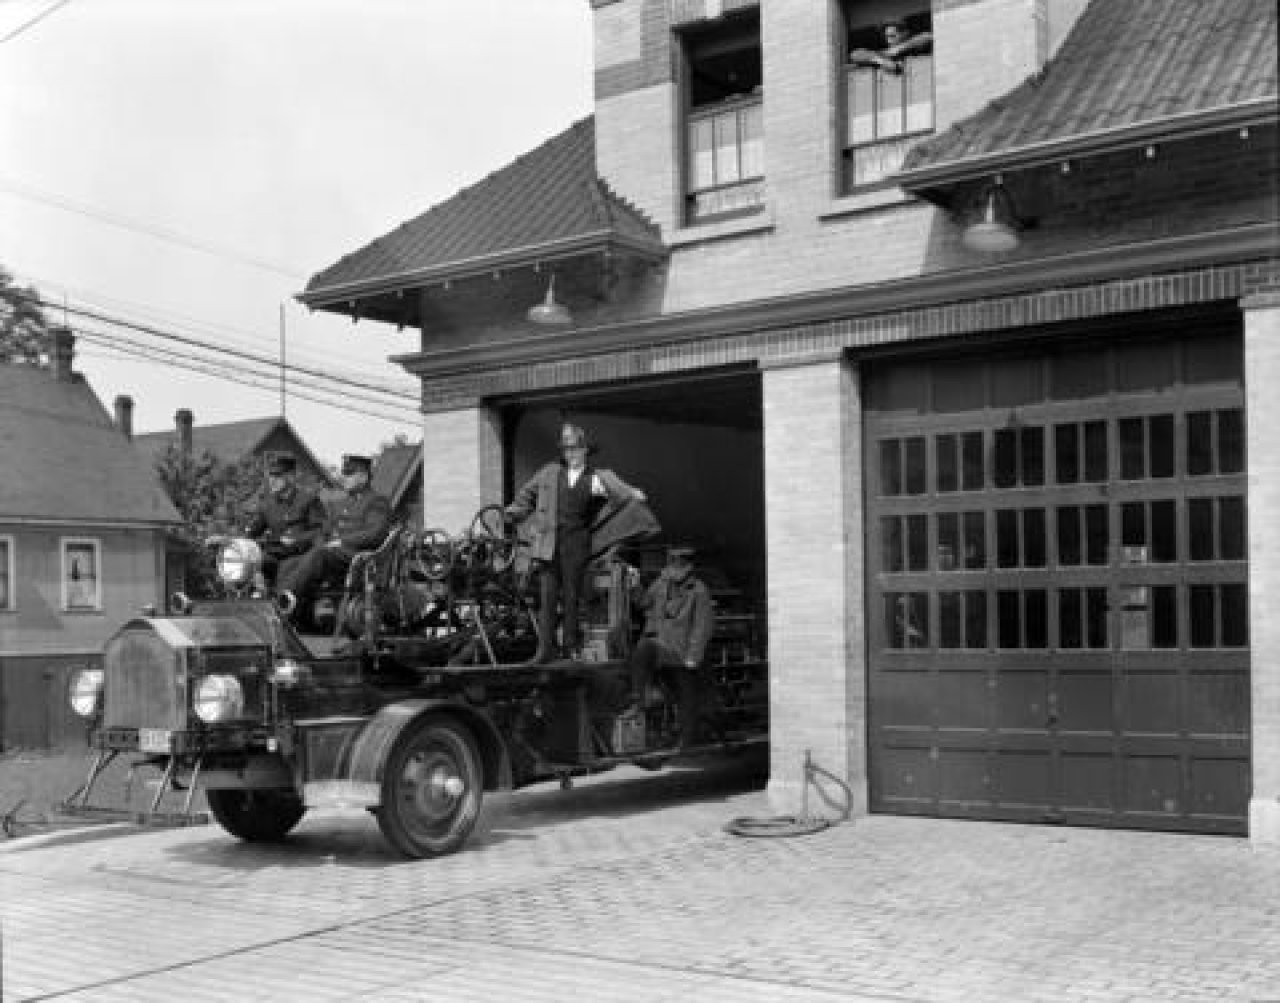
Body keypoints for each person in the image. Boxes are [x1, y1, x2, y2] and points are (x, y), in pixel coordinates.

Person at [506, 423, 650, 665]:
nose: (570, 453)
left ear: (585, 450)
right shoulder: (549, 472)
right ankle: (545, 650)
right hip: (548, 543)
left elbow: (618, 491)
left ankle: (570, 648)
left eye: (575, 449)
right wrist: (510, 513)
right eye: (567, 449)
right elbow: (526, 496)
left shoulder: (596, 478)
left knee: (572, 598)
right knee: (547, 598)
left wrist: (633, 493)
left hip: (576, 544)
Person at [278, 453, 392, 624]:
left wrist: (342, 542)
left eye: (349, 474)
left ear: (363, 477)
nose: (344, 478)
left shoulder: (377, 501)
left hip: (359, 557)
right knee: (288, 563)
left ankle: (283, 600)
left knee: (320, 555)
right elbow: (324, 531)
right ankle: (290, 617)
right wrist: (316, 542)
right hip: (335, 555)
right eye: (343, 473)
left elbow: (375, 533)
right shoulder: (342, 503)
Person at [625, 544, 715, 748]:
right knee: (642, 649)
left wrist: (693, 657)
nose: (674, 566)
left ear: (687, 566)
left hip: (681, 651)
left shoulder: (699, 590)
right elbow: (644, 602)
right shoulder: (661, 583)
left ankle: (687, 738)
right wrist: (634, 586)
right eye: (672, 561)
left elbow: (702, 626)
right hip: (660, 645)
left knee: (686, 694)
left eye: (679, 562)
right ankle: (638, 701)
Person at [243, 452, 326, 591]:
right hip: (274, 556)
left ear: (291, 476)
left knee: (285, 567)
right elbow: (250, 533)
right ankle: (255, 594)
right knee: (246, 562)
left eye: (277, 476)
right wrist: (227, 541)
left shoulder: (309, 500)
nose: (272, 480)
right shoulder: (267, 505)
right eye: (270, 476)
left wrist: (297, 539)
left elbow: (321, 531)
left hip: (300, 558)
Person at [849, 17, 933, 74]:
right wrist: (880, 60)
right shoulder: (883, 54)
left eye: (892, 36)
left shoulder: (913, 46)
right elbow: (855, 54)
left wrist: (899, 48)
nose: (889, 41)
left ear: (904, 34)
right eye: (887, 37)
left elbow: (928, 36)